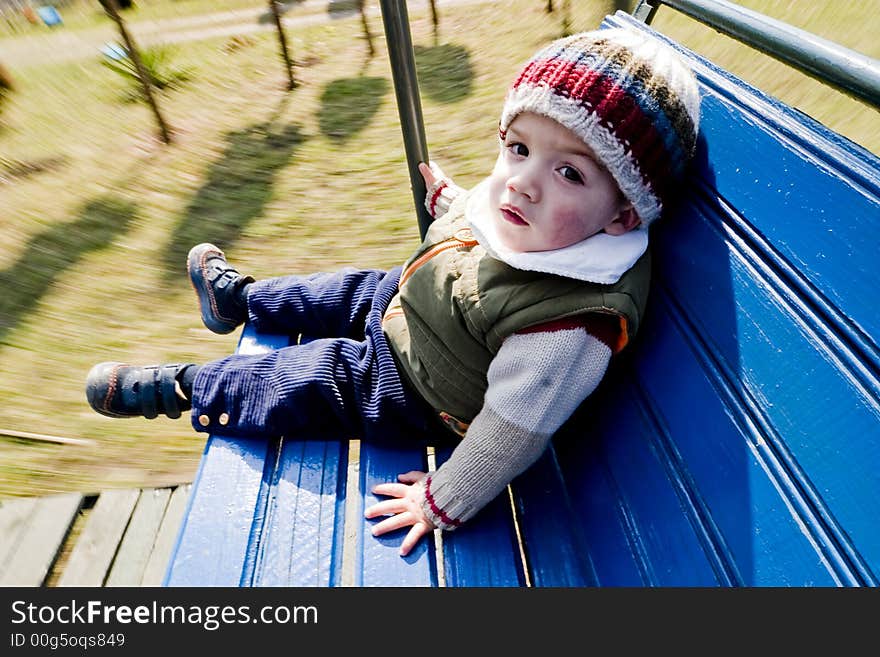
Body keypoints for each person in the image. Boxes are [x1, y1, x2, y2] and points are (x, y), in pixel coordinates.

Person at [86, 28, 701, 557]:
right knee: (344, 287)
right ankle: (239, 299)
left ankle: (185, 387)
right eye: (518, 148)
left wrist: (440, 502)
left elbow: (513, 432)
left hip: (419, 387)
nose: (521, 183)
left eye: (568, 171)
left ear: (624, 213)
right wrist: (453, 203)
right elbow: (481, 219)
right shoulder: (551, 220)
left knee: (319, 374)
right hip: (420, 304)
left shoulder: (571, 325)